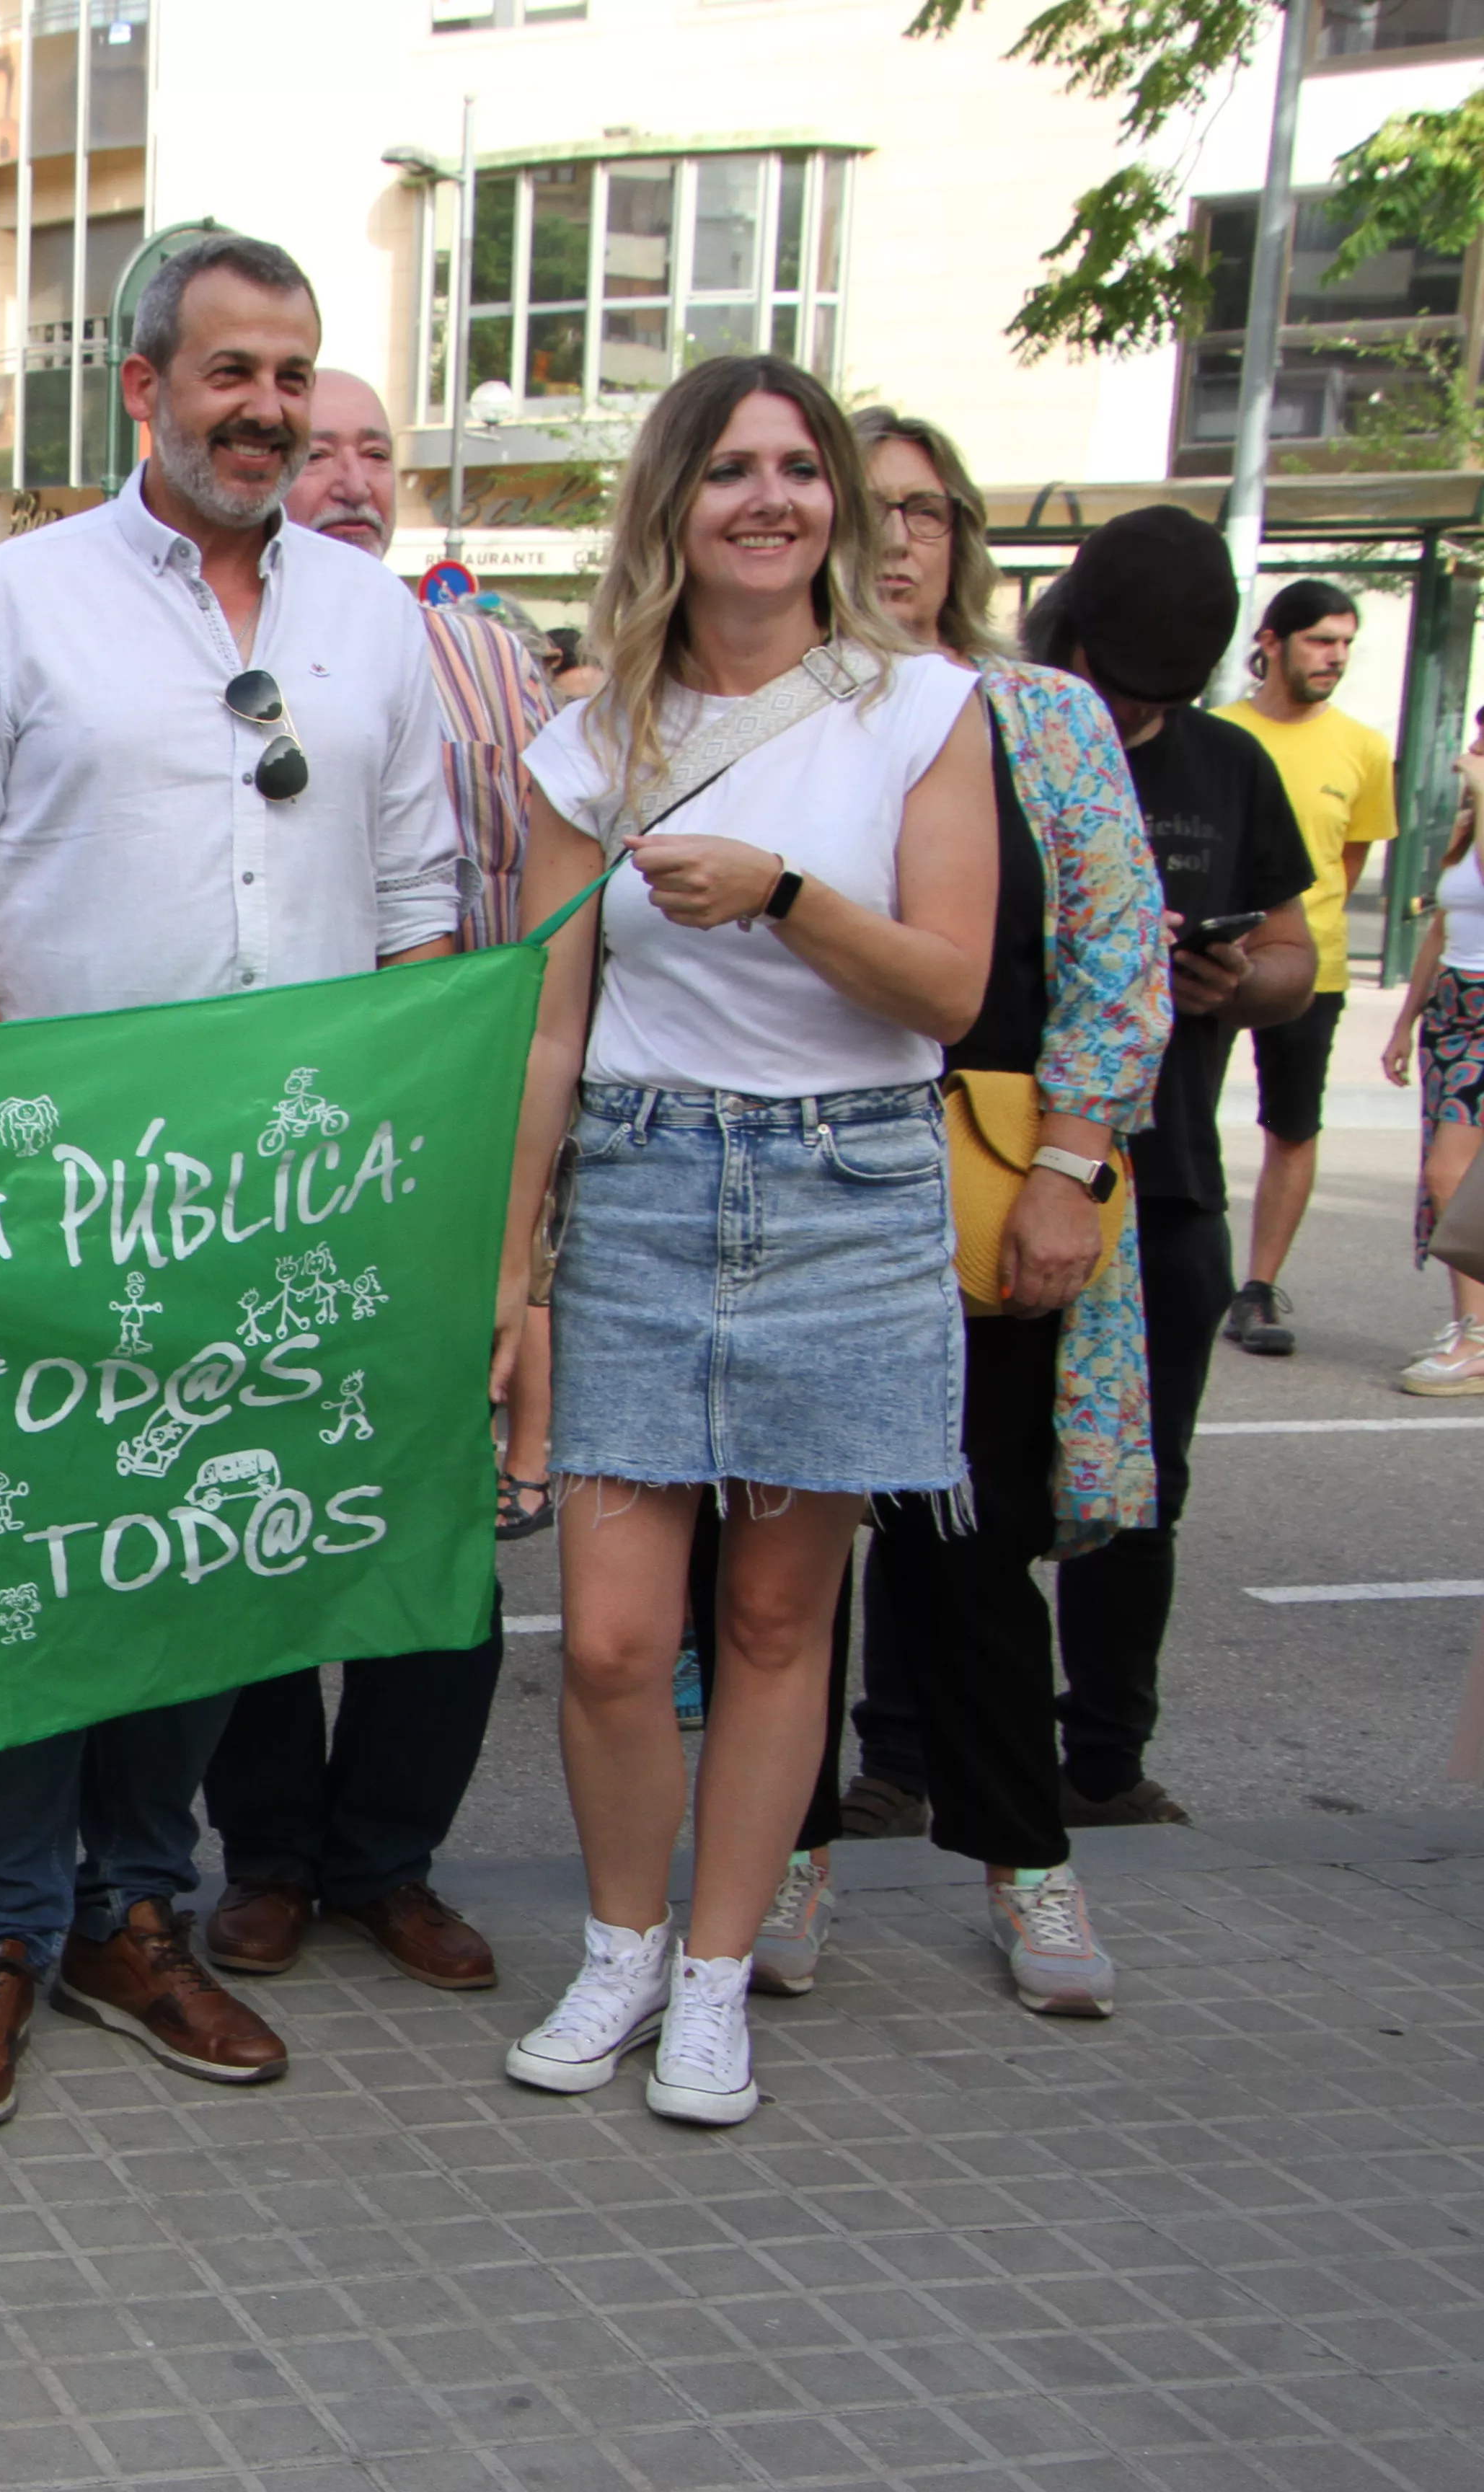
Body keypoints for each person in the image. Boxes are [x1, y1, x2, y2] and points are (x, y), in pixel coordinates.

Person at [0, 234, 461, 2124]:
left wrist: (399, 1148)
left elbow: (423, 901)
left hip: (287, 1195)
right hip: (63, 1195)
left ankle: (135, 1915)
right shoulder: (16, 602)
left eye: (292, 373)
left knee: (212, 1558)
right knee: (36, 1567)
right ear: (144, 388)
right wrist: (21, 1145)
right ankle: (1, 1931)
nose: (266, 410)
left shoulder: (373, 619)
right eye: (230, 372)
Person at [490, 355, 993, 2129]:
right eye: (728, 469)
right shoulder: (590, 740)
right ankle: (619, 1949)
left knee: (779, 1623)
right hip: (639, 1187)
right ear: (671, 505)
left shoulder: (920, 708)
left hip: (848, 1190)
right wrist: (509, 1267)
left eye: (798, 468)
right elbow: (547, 1028)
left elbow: (951, 987)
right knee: (615, 1639)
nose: (768, 499)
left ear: (833, 502)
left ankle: (715, 1976)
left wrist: (783, 894)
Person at [743, 409, 1168, 2017]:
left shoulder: (1038, 716)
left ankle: (1024, 1861)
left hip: (984, 1184)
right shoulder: (775, 709)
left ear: (963, 539)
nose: (898, 539)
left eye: (926, 511)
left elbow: (1117, 958)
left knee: (972, 1549)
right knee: (776, 1560)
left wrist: (1068, 1172)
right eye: (871, 508)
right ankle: (787, 1850)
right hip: (793, 1180)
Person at [196, 363, 532, 2005]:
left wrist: (453, 1126)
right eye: (313, 447)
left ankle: (388, 1855)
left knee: (424, 1503)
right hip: (221, 1157)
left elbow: (490, 893)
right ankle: (268, 1855)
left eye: (369, 450)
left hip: (422, 1135)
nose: (340, 474)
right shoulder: (202, 636)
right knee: (239, 1499)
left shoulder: (486, 653)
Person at [1028, 510, 1315, 1829]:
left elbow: (1295, 961)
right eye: (1120, 681)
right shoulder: (1002, 732)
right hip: (999, 1157)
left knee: (1140, 1489)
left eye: (1163, 695)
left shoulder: (1228, 764)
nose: (1136, 713)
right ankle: (904, 1761)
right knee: (957, 1485)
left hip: (1171, 1175)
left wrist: (1235, 979)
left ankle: (1103, 1758)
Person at [1218, 579, 1397, 1358]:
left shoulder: (1364, 747)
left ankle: (1257, 1289)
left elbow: (1347, 861)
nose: (1337, 656)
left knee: (1292, 1126)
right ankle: (1164, 1269)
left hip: (1309, 972)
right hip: (1209, 964)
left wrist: (1300, 941)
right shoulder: (1218, 734)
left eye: (1347, 643)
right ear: (1271, 642)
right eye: (1322, 640)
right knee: (1174, 1118)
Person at [1384, 729, 1484, 1390]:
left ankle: (1478, 1337)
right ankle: (1469, 1325)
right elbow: (1441, 929)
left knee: (1452, 1176)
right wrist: (1405, 1022)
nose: (1471, 750)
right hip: (1451, 1011)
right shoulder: (1469, 826)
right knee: (1452, 1178)